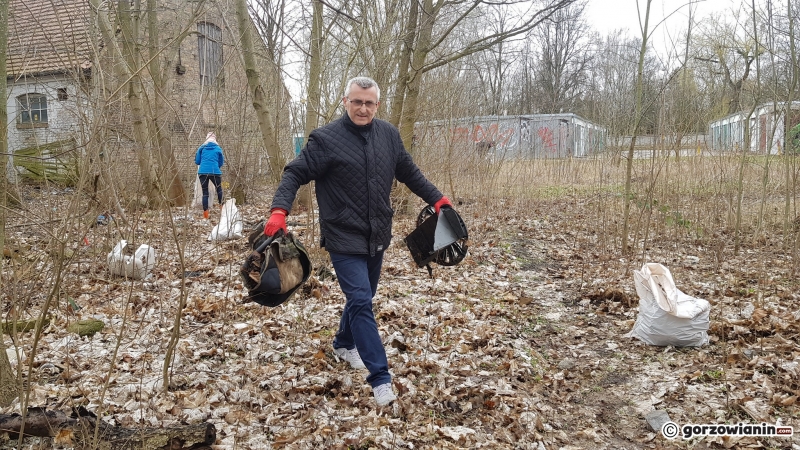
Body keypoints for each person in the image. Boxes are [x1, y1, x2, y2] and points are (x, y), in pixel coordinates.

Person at [262, 76, 452, 406]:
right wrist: (279, 210)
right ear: (345, 102)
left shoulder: (389, 136)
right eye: (357, 102)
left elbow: (410, 172)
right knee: (362, 300)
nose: (363, 108)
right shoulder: (325, 140)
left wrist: (439, 200)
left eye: (369, 103)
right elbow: (294, 172)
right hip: (342, 236)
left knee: (362, 297)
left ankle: (342, 343)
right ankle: (381, 380)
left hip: (378, 234)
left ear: (377, 105)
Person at [195, 131, 225, 219]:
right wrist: (215, 167)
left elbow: (197, 161)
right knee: (219, 189)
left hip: (202, 172)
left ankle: (206, 215)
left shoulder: (201, 148)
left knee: (205, 192)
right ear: (215, 140)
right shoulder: (218, 149)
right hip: (215, 171)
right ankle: (222, 210)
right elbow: (221, 162)